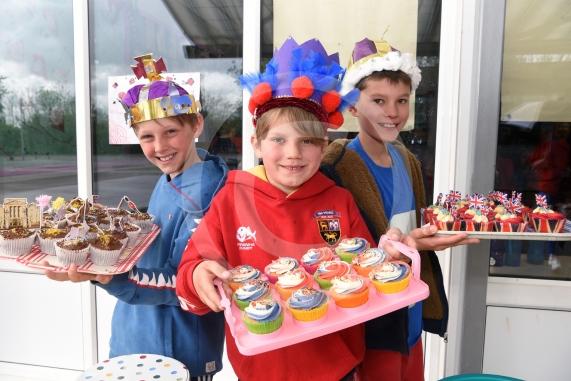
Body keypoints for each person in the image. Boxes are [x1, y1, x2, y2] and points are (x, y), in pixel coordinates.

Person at [176, 37, 380, 381]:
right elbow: (192, 267)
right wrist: (198, 276)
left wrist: (390, 258)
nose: (293, 153)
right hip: (261, 369)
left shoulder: (339, 201)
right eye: (279, 139)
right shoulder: (232, 199)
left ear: (324, 146)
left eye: (307, 141)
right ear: (256, 143)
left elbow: (367, 270)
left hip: (336, 368)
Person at [45, 54, 227, 381]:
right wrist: (96, 253)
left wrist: (108, 274)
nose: (159, 147)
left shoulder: (205, 194)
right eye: (147, 137)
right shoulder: (168, 177)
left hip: (176, 355)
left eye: (171, 131)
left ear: (197, 124)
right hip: (136, 340)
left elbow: (183, 284)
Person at [320, 38, 477, 380]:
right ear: (352, 107)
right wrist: (409, 245)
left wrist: (430, 236)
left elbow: (412, 229)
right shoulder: (336, 166)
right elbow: (334, 254)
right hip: (371, 325)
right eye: (378, 101)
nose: (392, 112)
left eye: (401, 101)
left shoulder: (408, 161)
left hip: (409, 316)